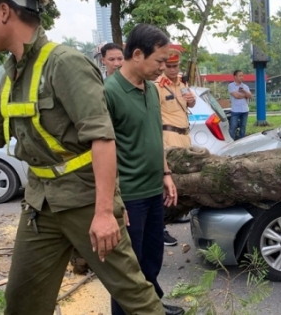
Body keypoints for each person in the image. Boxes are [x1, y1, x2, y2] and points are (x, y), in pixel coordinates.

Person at [0, 1, 165, 314]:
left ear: (3, 12)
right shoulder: (12, 73)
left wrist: (105, 212)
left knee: (135, 296)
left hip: (85, 201)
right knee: (22, 300)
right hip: (40, 203)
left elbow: (103, 138)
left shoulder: (64, 63)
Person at [104, 24, 184, 315]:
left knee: (152, 257)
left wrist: (165, 174)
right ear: (137, 54)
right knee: (129, 269)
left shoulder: (151, 90)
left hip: (152, 189)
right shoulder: (109, 93)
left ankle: (153, 306)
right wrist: (114, 199)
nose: (163, 68)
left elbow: (155, 135)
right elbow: (102, 151)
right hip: (129, 196)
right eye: (159, 61)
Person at [155, 48, 196, 246]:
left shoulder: (182, 82)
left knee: (179, 182)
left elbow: (191, 105)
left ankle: (174, 214)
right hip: (167, 136)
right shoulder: (156, 85)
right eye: (169, 66)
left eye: (175, 66)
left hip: (184, 136)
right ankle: (160, 228)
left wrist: (192, 100)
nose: (172, 70)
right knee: (166, 183)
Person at [228, 69, 252, 140]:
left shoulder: (245, 86)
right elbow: (236, 96)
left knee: (243, 127)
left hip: (245, 110)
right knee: (233, 127)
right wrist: (245, 95)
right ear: (235, 77)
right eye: (240, 76)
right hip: (236, 110)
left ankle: (241, 141)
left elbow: (250, 96)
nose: (242, 77)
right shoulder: (231, 85)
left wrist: (244, 91)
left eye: (242, 76)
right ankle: (231, 142)